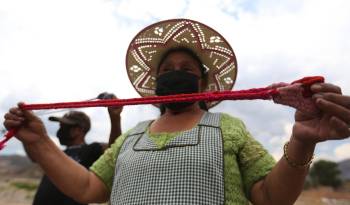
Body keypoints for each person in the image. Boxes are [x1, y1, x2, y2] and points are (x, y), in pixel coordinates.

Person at [3, 19, 350, 205]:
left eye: (186, 67)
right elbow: (90, 188)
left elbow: (270, 198)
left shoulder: (228, 127)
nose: (175, 72)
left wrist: (302, 141)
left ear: (202, 82)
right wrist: (40, 143)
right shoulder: (134, 134)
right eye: (167, 68)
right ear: (156, 82)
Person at [25, 93, 123, 205]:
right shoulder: (60, 153)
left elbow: (114, 152)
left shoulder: (92, 149)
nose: (59, 131)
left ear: (78, 130)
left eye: (64, 127)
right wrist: (26, 135)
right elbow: (34, 157)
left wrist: (115, 118)